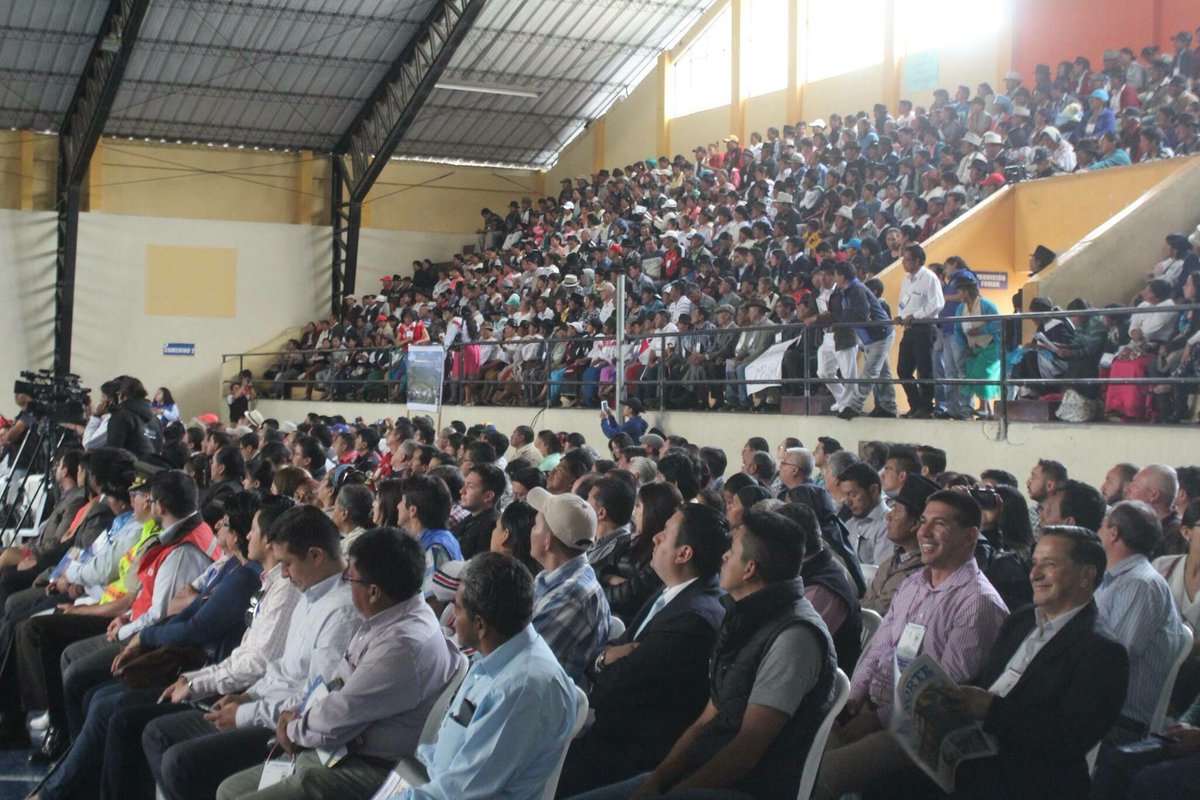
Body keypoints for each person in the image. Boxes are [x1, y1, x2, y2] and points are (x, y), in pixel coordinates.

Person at [568, 509, 836, 800]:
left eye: (732, 551)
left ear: (750, 570)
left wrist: (673, 793)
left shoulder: (793, 638)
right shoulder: (744, 613)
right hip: (701, 768)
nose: (723, 557)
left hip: (747, 786)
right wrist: (657, 780)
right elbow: (709, 716)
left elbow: (747, 749)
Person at [216, 528, 462, 800]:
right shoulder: (390, 615)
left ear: (374, 591)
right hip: (334, 748)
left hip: (367, 766)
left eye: (350, 578)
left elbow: (340, 715)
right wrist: (297, 711)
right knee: (227, 790)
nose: (346, 584)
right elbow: (338, 682)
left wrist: (293, 728)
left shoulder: (401, 645)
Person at [891, 526, 1129, 800]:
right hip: (973, 755)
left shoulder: (1103, 652)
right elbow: (986, 683)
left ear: (1086, 575)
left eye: (1049, 565)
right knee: (886, 784)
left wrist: (992, 710)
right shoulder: (1022, 620)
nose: (1035, 574)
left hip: (1029, 776)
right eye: (1035, 562)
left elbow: (1069, 738)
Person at [142, 505, 360, 800]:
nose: (283, 573)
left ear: (316, 556)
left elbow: (314, 698)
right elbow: (280, 668)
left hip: (285, 726)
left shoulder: (342, 612)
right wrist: (246, 696)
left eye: (287, 563)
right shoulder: (310, 591)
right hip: (262, 702)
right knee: (156, 733)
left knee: (180, 762)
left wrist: (245, 713)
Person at [817, 490, 1009, 800]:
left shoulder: (978, 603)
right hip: (872, 708)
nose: (925, 532)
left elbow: (944, 690)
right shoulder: (915, 582)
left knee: (826, 774)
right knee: (799, 749)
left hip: (920, 729)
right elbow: (879, 648)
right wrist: (852, 700)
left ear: (970, 536)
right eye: (923, 521)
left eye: (940, 524)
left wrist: (874, 719)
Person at [557, 503, 729, 797]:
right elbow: (615, 649)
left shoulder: (692, 620)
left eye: (666, 532)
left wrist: (602, 662)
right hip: (614, 729)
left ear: (684, 553)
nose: (655, 537)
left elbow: (614, 688)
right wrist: (602, 658)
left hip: (629, 751)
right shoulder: (675, 591)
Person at [393, 552, 577, 800]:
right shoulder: (498, 655)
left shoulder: (521, 690)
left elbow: (459, 794)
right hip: (431, 780)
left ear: (479, 625)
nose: (451, 617)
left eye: (456, 609)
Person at [1095, 500, 1190, 740]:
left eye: (1101, 526)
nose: (1097, 532)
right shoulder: (1116, 579)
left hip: (1118, 719)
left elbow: (1112, 659)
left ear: (1114, 533)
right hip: (1102, 709)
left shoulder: (1139, 585)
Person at [526, 486, 612, 688]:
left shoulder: (573, 596)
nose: (531, 530)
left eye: (535, 525)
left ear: (548, 542)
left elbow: (522, 660)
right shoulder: (552, 576)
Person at [861, 474, 940, 615]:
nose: (888, 515)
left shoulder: (925, 575)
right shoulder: (889, 563)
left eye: (896, 510)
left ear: (915, 524)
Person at [894, 244, 945, 418]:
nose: (904, 263)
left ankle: (926, 406)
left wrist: (916, 315)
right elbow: (904, 302)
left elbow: (937, 303)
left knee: (924, 369)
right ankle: (915, 404)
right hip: (909, 328)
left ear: (917, 260)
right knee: (903, 369)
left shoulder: (929, 277)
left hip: (924, 327)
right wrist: (900, 315)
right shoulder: (906, 280)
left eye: (907, 260)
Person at [396, 475, 465, 594]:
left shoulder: (436, 548)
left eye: (401, 501)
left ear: (413, 510)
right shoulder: (436, 537)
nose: (397, 506)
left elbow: (433, 603)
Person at [838, 462, 891, 566]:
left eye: (853, 495)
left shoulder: (888, 525)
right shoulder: (849, 524)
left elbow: (881, 574)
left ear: (873, 490)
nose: (847, 502)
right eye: (846, 495)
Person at [1124, 464, 1185, 555]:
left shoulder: (1176, 534)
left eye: (1135, 485)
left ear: (1154, 495)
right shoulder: (1136, 523)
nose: (1127, 489)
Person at [452, 464, 505, 559]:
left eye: (470, 487)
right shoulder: (471, 517)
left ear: (488, 496)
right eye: (464, 485)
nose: (461, 491)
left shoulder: (491, 527)